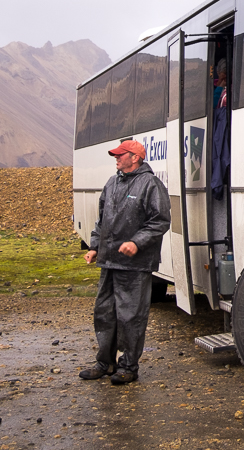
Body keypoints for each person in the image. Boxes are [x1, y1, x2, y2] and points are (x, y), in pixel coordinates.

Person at [79, 140, 171, 385]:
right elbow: (102, 221)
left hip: (135, 264)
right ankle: (104, 363)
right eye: (116, 156)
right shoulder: (111, 183)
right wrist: (94, 247)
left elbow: (160, 221)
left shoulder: (151, 184)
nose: (116, 159)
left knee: (131, 316)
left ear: (136, 157)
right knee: (104, 314)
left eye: (121, 155)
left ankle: (128, 367)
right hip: (109, 262)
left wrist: (137, 242)